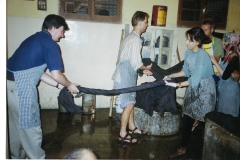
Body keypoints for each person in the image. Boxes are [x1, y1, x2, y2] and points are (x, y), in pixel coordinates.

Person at [7, 14, 80, 159]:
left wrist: (61, 86)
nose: (62, 35)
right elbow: (56, 74)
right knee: (31, 129)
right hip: (22, 90)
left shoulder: (33, 39)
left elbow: (38, 73)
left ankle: (16, 157)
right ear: (53, 28)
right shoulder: (50, 44)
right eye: (61, 31)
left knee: (16, 128)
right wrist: (70, 84)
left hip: (8, 86)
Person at [163, 27, 216, 158]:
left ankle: (203, 151)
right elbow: (186, 71)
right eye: (187, 39)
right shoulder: (188, 53)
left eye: (190, 40)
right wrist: (171, 75)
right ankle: (182, 147)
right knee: (187, 118)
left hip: (206, 90)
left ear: (198, 42)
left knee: (203, 122)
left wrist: (178, 84)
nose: (186, 43)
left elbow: (195, 79)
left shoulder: (203, 56)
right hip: (193, 87)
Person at [112, 11, 152, 144]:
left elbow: (131, 62)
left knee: (131, 102)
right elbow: (137, 63)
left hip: (126, 74)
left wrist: (142, 69)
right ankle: (122, 134)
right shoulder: (135, 39)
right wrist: (148, 68)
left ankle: (132, 127)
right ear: (140, 22)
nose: (147, 25)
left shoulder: (130, 37)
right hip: (124, 76)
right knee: (128, 104)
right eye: (146, 22)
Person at [210, 32, 240, 117]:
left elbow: (225, 76)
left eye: (223, 40)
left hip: (230, 92)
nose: (221, 42)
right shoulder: (228, 55)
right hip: (224, 90)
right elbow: (226, 72)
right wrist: (217, 73)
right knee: (222, 116)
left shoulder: (234, 57)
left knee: (228, 118)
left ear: (228, 43)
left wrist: (215, 62)